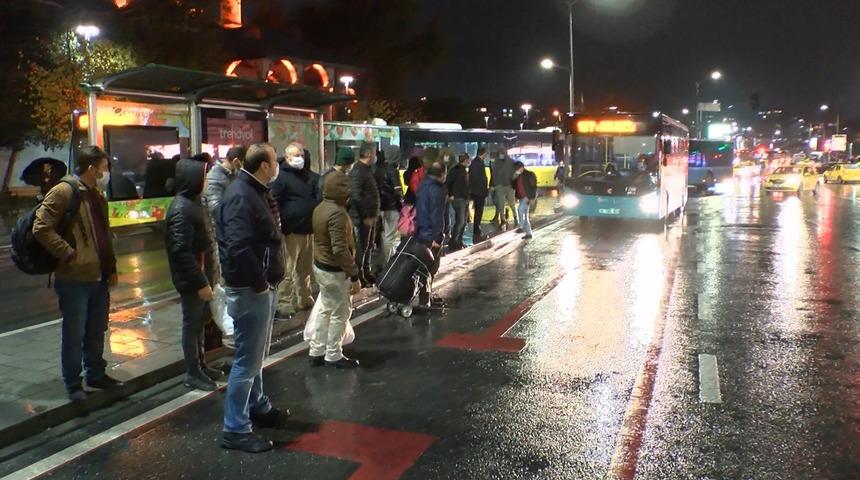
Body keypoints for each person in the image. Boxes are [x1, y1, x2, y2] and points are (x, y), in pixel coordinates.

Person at [33, 145, 122, 401]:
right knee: (74, 333)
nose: (106, 172)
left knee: (96, 330)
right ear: (91, 168)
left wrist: (112, 267)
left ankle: (96, 373)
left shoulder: (96, 195)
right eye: (103, 168)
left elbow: (104, 236)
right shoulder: (64, 191)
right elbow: (41, 227)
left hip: (99, 277)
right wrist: (69, 253)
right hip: (73, 278)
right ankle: (73, 383)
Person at [215, 143, 287, 453]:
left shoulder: (253, 190)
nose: (277, 166)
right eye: (274, 161)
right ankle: (235, 428)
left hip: (260, 286)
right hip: (249, 288)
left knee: (255, 356)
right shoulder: (242, 196)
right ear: (263, 166)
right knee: (246, 362)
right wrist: (259, 282)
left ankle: (259, 407)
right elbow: (238, 246)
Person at [165, 159, 222, 391]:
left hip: (201, 276)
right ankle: (192, 372)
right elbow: (181, 251)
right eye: (203, 177)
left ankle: (201, 365)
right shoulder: (181, 208)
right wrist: (201, 282)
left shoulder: (192, 203)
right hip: (192, 280)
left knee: (199, 323)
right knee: (192, 325)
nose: (206, 181)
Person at [310, 170, 362, 369]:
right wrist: (354, 273)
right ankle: (333, 354)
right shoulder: (337, 214)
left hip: (321, 266)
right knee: (340, 312)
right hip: (335, 270)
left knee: (325, 309)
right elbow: (339, 248)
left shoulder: (320, 208)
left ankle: (317, 350)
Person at [271, 142, 319, 318]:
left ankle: (304, 298)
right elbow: (274, 201)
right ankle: (284, 303)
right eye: (295, 155)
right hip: (291, 232)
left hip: (308, 230)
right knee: (288, 270)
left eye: (301, 154)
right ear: (287, 156)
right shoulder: (281, 177)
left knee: (305, 270)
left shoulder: (306, 176)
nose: (299, 158)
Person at [203, 145, 245, 347]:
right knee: (222, 283)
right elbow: (216, 209)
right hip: (220, 236)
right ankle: (228, 333)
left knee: (231, 281)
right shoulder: (215, 177)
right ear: (236, 160)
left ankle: (232, 328)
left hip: (231, 235)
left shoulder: (234, 175)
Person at [414, 161, 447, 309]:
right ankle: (425, 300)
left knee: (423, 267)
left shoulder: (423, 185)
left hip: (421, 231)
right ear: (442, 174)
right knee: (430, 268)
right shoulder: (437, 190)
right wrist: (436, 237)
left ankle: (424, 297)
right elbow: (436, 215)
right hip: (430, 234)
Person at [348, 142, 380, 287]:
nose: (375, 155)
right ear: (368, 154)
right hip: (362, 219)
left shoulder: (367, 170)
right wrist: (365, 215)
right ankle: (359, 275)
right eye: (374, 152)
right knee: (361, 247)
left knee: (368, 246)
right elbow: (356, 196)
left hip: (370, 217)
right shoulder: (358, 171)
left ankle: (367, 272)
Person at [376, 145, 403, 267]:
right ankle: (390, 262)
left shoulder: (378, 168)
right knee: (390, 235)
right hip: (391, 207)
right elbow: (397, 190)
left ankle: (383, 260)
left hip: (380, 206)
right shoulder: (393, 169)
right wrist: (401, 201)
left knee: (384, 235)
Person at [446, 153, 470, 250]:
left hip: (463, 198)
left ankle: (458, 241)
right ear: (465, 160)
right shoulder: (456, 170)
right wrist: (451, 194)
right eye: (468, 160)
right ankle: (454, 242)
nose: (469, 162)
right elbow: (449, 182)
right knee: (460, 221)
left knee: (463, 222)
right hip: (458, 198)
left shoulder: (462, 170)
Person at [491, 150, 517, 229]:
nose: (501, 155)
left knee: (511, 203)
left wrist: (513, 179)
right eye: (500, 154)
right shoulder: (496, 163)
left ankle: (516, 217)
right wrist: (495, 184)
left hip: (509, 186)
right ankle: (502, 219)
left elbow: (515, 172)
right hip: (500, 186)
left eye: (502, 154)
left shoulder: (511, 162)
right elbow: (494, 174)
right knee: (501, 204)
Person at [468, 148, 490, 243]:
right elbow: (481, 179)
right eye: (485, 154)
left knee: (477, 211)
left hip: (475, 191)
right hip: (479, 192)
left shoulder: (473, 163)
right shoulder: (479, 163)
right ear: (483, 154)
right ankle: (477, 229)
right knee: (479, 211)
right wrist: (485, 190)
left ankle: (477, 228)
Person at [513, 161, 538, 240]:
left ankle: (521, 226)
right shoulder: (518, 176)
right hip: (521, 197)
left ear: (522, 167)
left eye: (518, 169)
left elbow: (534, 186)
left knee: (520, 209)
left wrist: (532, 198)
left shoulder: (529, 174)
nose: (517, 170)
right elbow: (515, 186)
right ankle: (528, 233)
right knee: (525, 215)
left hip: (527, 197)